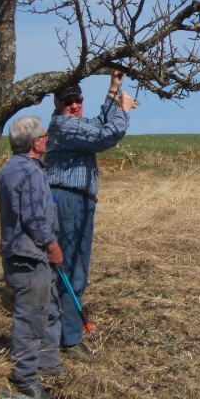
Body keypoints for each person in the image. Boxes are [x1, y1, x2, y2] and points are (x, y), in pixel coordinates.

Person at [46, 71, 135, 356]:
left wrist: (113, 89)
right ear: (57, 104)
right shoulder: (62, 126)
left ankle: (61, 331)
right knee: (73, 271)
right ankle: (69, 338)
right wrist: (123, 110)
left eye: (78, 100)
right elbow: (105, 134)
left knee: (72, 269)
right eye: (68, 101)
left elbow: (97, 124)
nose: (74, 105)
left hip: (78, 202)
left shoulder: (75, 124)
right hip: (68, 202)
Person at [0, 116, 63, 399]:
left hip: (13, 253)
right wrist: (51, 245)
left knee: (44, 311)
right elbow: (35, 217)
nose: (48, 139)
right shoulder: (32, 173)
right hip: (30, 255)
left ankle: (47, 364)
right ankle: (27, 380)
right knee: (31, 319)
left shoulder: (7, 170)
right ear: (36, 143)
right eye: (45, 136)